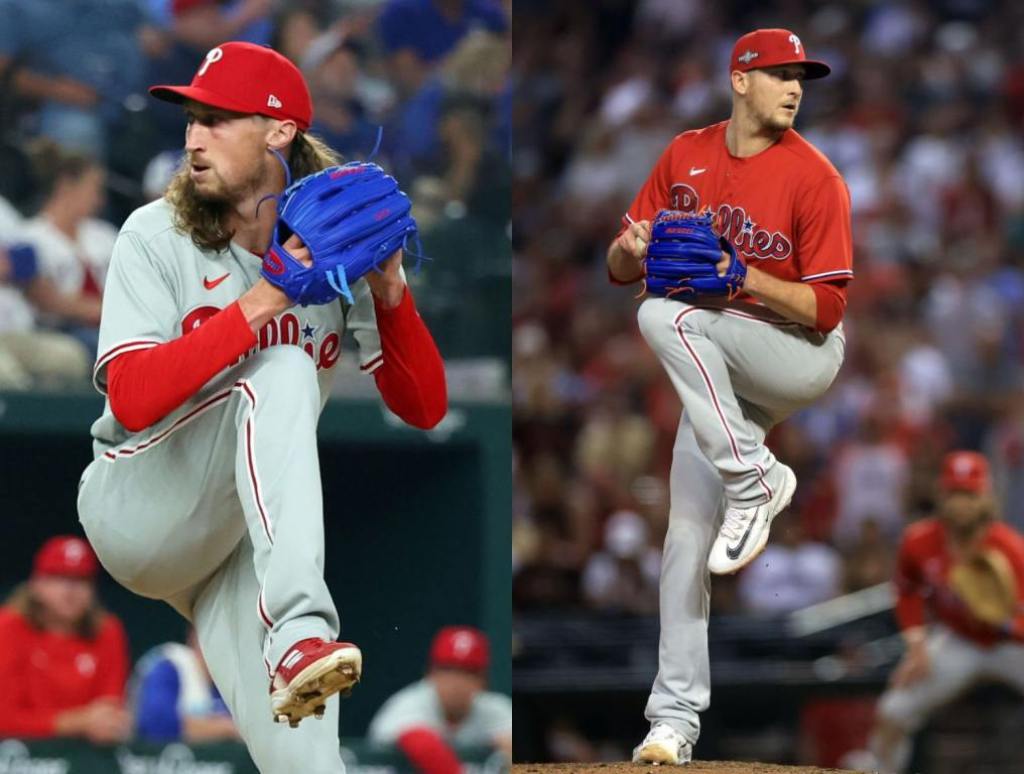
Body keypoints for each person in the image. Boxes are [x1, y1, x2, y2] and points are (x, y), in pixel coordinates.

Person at [76, 41, 447, 773]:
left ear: (278, 131)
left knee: (310, 758)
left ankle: (295, 652)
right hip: (138, 497)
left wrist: (391, 291)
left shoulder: (332, 244)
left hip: (238, 551)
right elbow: (133, 396)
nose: (192, 138)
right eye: (190, 119)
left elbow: (426, 409)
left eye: (215, 119)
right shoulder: (156, 233)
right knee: (278, 367)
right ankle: (301, 631)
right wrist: (267, 298)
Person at [607, 29, 852, 764]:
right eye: (779, 73)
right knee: (686, 538)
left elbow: (828, 311)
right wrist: (630, 247)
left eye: (800, 76)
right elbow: (622, 261)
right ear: (739, 79)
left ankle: (757, 478)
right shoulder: (685, 154)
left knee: (664, 313)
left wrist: (741, 275)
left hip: (795, 353)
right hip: (713, 365)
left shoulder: (817, 177)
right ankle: (673, 722)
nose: (794, 86)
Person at [868, 451, 1024, 773]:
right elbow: (907, 589)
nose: (960, 503)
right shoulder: (919, 541)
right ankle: (878, 769)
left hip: (1013, 645)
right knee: (894, 709)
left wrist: (1004, 625)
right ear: (941, 493)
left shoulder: (1010, 549)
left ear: (985, 497)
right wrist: (916, 645)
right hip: (960, 639)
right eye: (954, 493)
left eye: (969, 494)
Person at [0, 535, 131, 743]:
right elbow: (4, 719)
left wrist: (104, 724)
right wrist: (79, 722)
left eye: (81, 580)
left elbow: (108, 713)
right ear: (36, 584)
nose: (70, 591)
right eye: (59, 578)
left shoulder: (107, 632)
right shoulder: (9, 626)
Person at [368, 626, 512, 773]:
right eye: (448, 669)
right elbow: (422, 745)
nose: (457, 682)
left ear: (483, 681)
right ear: (431, 673)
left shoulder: (494, 708)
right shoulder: (409, 703)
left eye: (468, 672)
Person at [133, 627, 240, 743]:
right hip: (147, 758)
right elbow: (155, 724)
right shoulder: (170, 666)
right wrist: (224, 729)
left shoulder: (226, 682)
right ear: (194, 638)